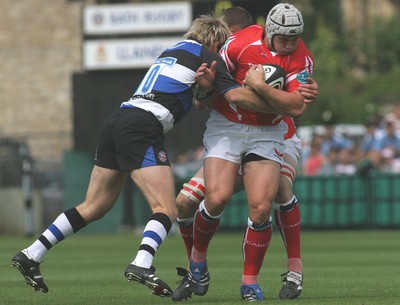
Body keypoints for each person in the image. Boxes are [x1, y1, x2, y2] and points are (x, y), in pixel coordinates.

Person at [10, 14, 278, 297]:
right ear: (215, 42)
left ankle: (32, 253)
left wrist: (207, 88)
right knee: (167, 208)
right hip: (142, 126)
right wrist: (275, 100)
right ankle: (142, 262)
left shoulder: (173, 50)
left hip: (117, 120)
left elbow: (199, 97)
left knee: (94, 206)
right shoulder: (208, 56)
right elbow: (234, 96)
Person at [172, 5, 318, 302]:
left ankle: (253, 282)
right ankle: (196, 262)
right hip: (228, 127)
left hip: (270, 132)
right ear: (269, 32)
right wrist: (206, 90)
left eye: (295, 38)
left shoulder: (301, 56)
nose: (290, 45)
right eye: (285, 39)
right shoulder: (237, 44)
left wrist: (259, 87)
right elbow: (208, 97)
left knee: (264, 205)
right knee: (214, 198)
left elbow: (296, 108)